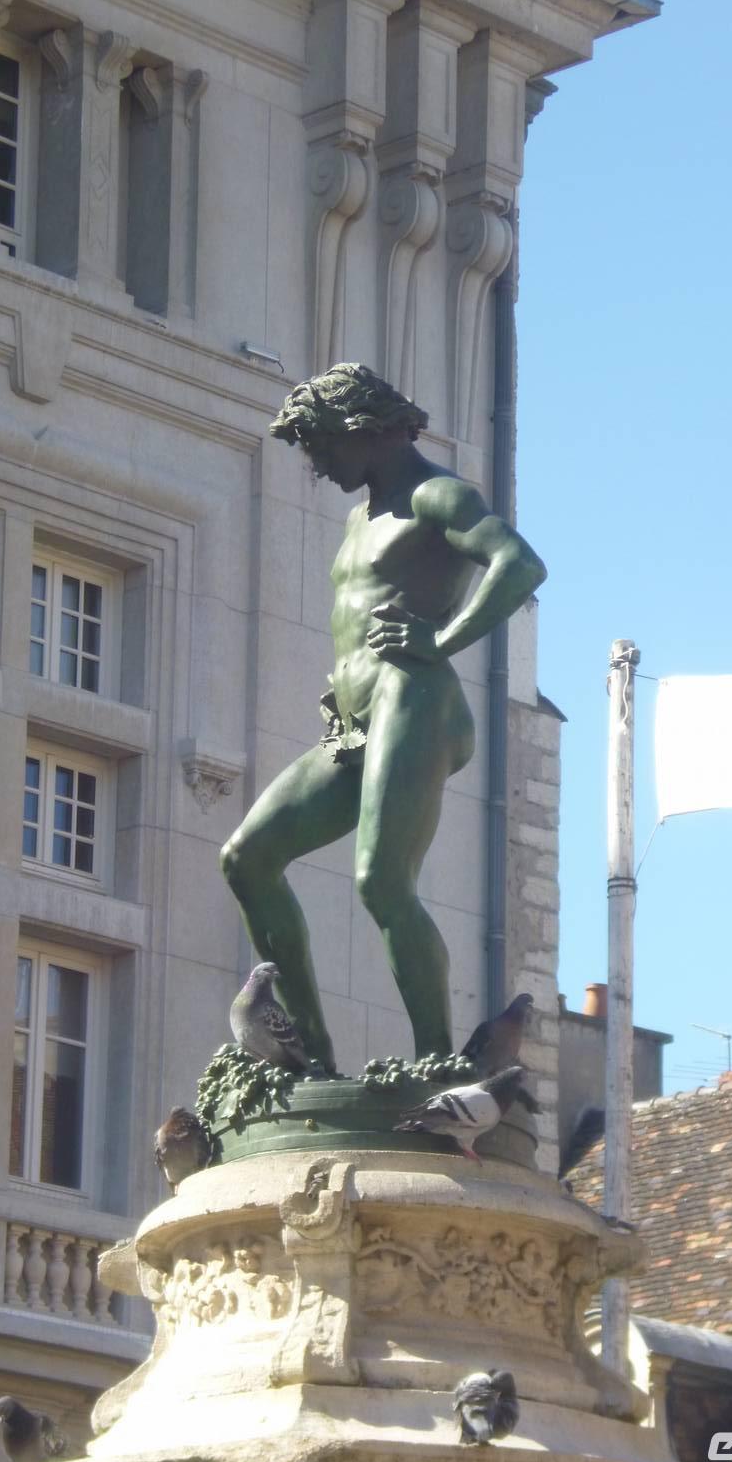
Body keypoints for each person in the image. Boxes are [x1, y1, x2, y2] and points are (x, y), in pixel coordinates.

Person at [220, 364, 546, 1069]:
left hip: (414, 698)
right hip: (353, 720)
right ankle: (309, 1054)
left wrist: (441, 641)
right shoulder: (357, 517)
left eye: (320, 446)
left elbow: (519, 564)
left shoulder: (438, 495)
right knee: (247, 857)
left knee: (381, 881)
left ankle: (434, 1063)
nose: (317, 465)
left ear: (360, 429)